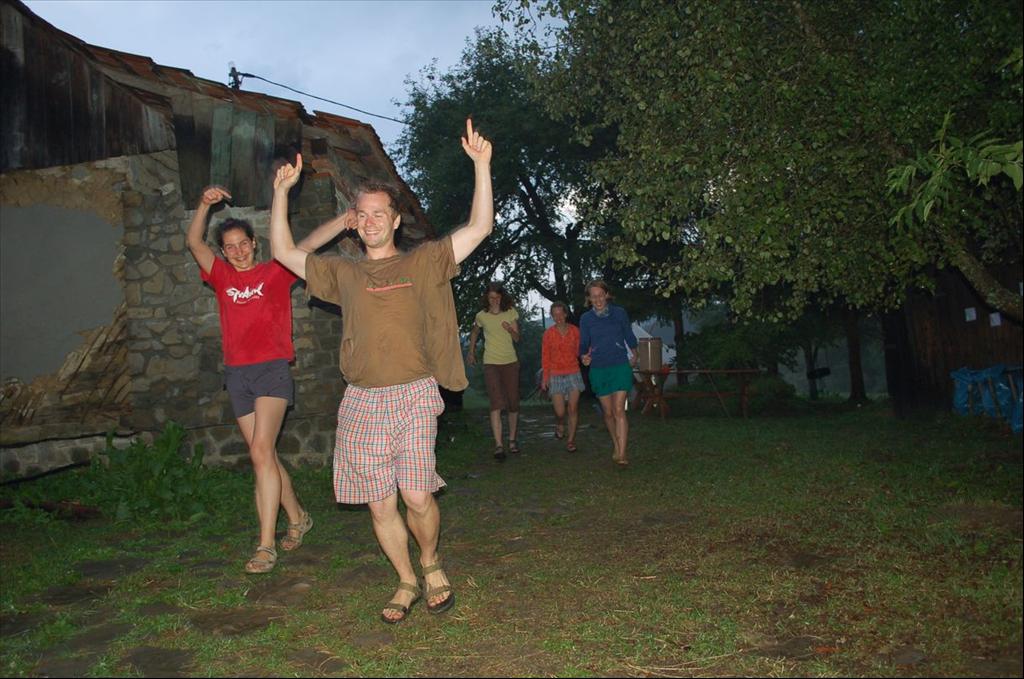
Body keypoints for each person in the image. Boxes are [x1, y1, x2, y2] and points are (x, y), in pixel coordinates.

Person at [269, 118, 493, 624]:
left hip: (413, 392)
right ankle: (406, 579)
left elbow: (478, 228)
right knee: (379, 503)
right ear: (355, 222)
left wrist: (481, 165)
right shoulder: (343, 272)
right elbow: (284, 253)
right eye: (363, 214)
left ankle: (430, 562)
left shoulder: (424, 262)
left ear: (395, 221)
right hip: (362, 399)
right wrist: (281, 193)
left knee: (416, 494)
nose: (370, 221)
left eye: (379, 213)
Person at [186, 185, 353, 573]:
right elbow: (194, 242)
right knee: (266, 455)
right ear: (223, 251)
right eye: (230, 247)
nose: (238, 251)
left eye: (243, 243)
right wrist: (203, 204)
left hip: (272, 371)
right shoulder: (221, 276)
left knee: (260, 453)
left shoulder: (275, 271)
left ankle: (265, 545)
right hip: (237, 375)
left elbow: (309, 243)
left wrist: (343, 221)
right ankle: (298, 517)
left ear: (255, 244)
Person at [578, 280, 638, 467]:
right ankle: (616, 444)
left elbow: (628, 335)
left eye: (600, 295)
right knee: (609, 412)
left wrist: (635, 354)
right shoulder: (586, 319)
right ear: (589, 299)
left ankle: (622, 452)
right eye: (593, 296)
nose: (598, 299)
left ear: (607, 295)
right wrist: (583, 357)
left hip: (620, 365)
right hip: (598, 368)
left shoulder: (619, 313)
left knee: (619, 409)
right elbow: (583, 343)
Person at [467, 282, 521, 459]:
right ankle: (498, 445)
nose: (495, 301)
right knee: (496, 402)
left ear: (502, 297)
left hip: (510, 362)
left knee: (513, 402)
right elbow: (474, 332)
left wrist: (510, 329)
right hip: (491, 363)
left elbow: (517, 338)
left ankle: (512, 440)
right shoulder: (481, 316)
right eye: (491, 298)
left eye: (497, 297)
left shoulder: (510, 312)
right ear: (487, 298)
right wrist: (471, 352)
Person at [541, 301, 584, 453]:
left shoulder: (575, 331)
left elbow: (580, 351)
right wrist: (545, 378)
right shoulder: (548, 334)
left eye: (561, 314)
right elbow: (545, 357)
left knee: (573, 408)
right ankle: (560, 423)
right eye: (555, 315)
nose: (558, 317)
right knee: (560, 412)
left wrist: (587, 355)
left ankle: (571, 441)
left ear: (566, 314)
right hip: (555, 374)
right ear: (552, 316)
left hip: (573, 372)